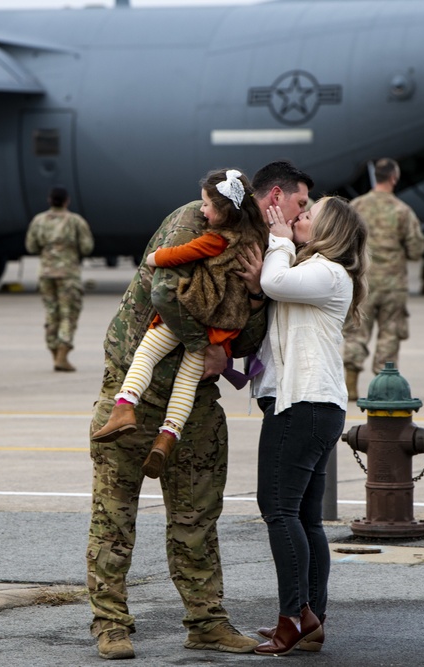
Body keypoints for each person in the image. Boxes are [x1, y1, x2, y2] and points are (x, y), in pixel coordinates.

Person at [87, 160, 313, 661]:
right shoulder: (196, 218)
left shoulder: (264, 249)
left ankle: (206, 621)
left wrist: (256, 293)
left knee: (197, 515)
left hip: (195, 398)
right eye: (299, 204)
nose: (303, 215)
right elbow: (159, 290)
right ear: (273, 195)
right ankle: (110, 622)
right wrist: (203, 344)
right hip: (136, 381)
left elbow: (251, 339)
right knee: (114, 512)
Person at [91, 169, 267, 480]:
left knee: (146, 353)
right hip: (225, 327)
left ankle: (124, 406)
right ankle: (167, 438)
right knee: (188, 381)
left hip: (196, 309)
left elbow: (183, 253)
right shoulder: (256, 239)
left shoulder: (217, 239)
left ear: (224, 211)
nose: (201, 211)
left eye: (206, 206)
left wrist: (154, 258)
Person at [251, 196, 368, 657]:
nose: (297, 218)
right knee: (304, 517)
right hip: (315, 406)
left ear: (329, 230)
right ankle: (311, 618)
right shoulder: (317, 272)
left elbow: (274, 282)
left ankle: (294, 618)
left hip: (304, 404)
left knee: (278, 509)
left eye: (307, 215)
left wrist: (277, 242)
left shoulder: (327, 271)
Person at [342, 158, 424, 400]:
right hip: (393, 286)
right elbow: (416, 249)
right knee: (390, 333)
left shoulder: (356, 206)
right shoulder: (402, 211)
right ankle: (385, 386)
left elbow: (344, 242)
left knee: (356, 331)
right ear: (394, 178)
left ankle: (351, 383)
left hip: (362, 282)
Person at [25, 186, 95, 372]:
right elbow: (87, 247)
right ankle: (62, 356)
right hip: (68, 274)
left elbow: (31, 246)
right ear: (67, 201)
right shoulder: (75, 221)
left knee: (51, 313)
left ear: (50, 200)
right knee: (68, 314)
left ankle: (55, 353)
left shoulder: (38, 221)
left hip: (46, 273)